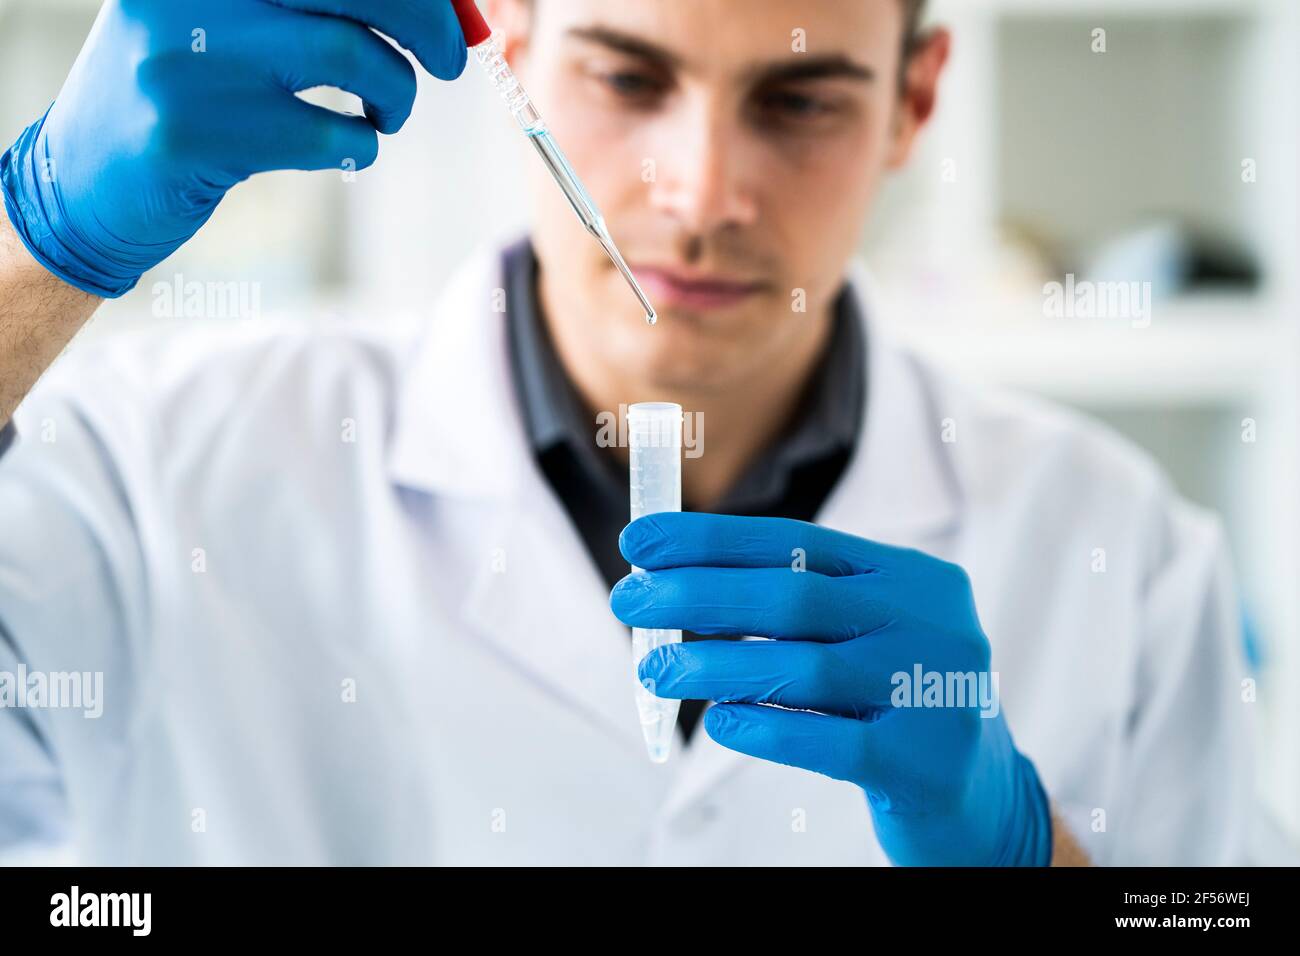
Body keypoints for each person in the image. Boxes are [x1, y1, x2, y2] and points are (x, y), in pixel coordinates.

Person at [0, 0, 1250, 866]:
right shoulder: (147, 468)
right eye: (628, 76)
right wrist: (40, 238)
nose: (702, 194)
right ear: (520, 47)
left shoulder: (1119, 545)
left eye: (799, 98)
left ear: (912, 103)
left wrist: (1026, 851)